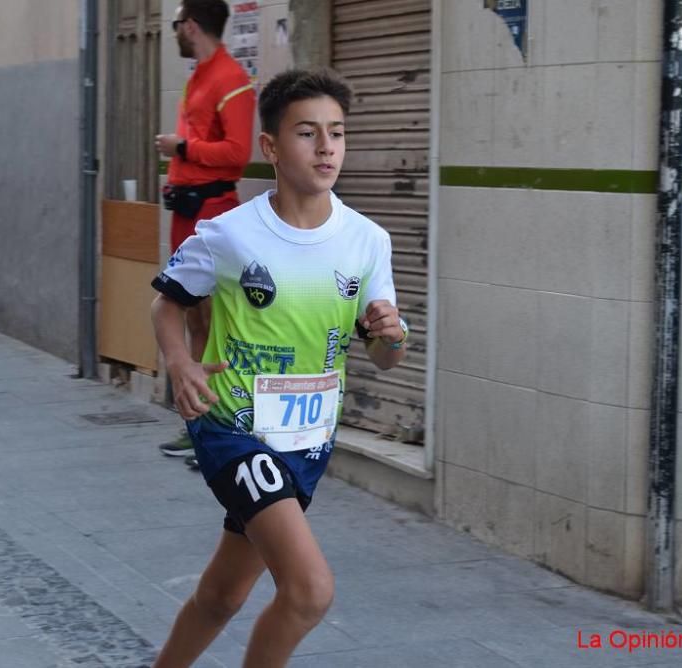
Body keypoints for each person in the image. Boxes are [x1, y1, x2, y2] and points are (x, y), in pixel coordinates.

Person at [149, 68, 408, 667]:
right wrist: (181, 362)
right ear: (270, 146)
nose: (326, 148)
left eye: (337, 134)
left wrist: (390, 336)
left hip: (307, 440)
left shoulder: (368, 241)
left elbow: (385, 355)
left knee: (222, 595)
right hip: (233, 426)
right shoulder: (230, 235)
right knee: (310, 590)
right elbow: (167, 302)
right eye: (308, 133)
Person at [155, 0, 256, 466]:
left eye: (176, 24)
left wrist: (184, 148)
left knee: (217, 324)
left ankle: (220, 428)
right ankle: (197, 422)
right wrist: (178, 167)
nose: (174, 31)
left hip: (213, 212)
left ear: (190, 25)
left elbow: (236, 154)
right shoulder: (199, 75)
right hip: (188, 212)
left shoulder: (231, 79)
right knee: (195, 320)